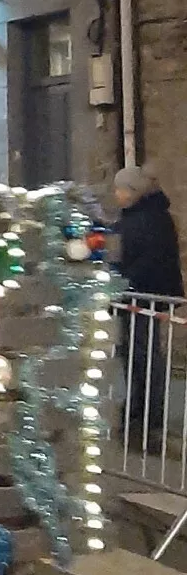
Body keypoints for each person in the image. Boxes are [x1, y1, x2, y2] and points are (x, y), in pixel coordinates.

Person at [113, 165, 184, 448]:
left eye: (120, 189)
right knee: (133, 357)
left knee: (144, 358)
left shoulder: (152, 219)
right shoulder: (135, 217)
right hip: (135, 297)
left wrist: (125, 282)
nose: (116, 195)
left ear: (133, 191)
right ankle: (136, 414)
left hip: (144, 297)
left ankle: (147, 420)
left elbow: (151, 260)